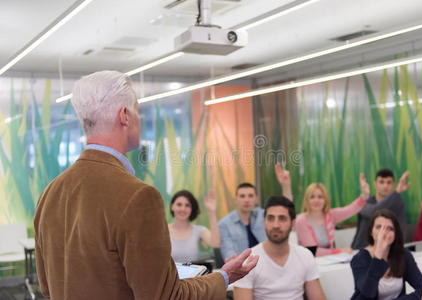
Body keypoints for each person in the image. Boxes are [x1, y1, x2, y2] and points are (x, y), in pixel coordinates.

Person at [34, 71, 258, 300]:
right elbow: (166, 296)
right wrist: (223, 277)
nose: (139, 119)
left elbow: (47, 285)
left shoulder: (50, 192)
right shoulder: (138, 196)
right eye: (138, 111)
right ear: (125, 116)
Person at [234, 196, 326, 300]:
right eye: (270, 218)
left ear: (293, 223)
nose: (275, 225)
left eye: (282, 218)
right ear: (264, 222)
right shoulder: (249, 261)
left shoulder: (305, 255)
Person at [219, 164, 292, 260]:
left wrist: (286, 185)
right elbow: (228, 255)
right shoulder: (224, 224)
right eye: (242, 196)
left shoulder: (263, 215)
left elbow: (284, 209)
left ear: (256, 199)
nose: (246, 200)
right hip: (242, 269)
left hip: (269, 262)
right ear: (235, 199)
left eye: (250, 196)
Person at [350, 209, 422, 300]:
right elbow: (367, 293)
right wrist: (378, 256)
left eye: (390, 228)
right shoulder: (359, 259)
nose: (384, 232)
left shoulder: (403, 254)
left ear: (395, 234)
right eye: (378, 227)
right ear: (371, 232)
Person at [295, 174, 369, 256]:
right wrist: (339, 251)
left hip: (328, 262)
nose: (316, 200)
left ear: (325, 200)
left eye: (320, 197)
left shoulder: (330, 215)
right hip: (308, 262)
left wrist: (364, 195)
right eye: (312, 197)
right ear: (307, 200)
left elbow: (351, 209)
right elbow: (312, 250)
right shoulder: (301, 220)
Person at [352, 169, 410, 249]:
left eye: (389, 182)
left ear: (393, 185)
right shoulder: (365, 202)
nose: (385, 186)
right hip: (362, 250)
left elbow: (401, 231)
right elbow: (374, 212)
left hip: (388, 250)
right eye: (381, 182)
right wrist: (396, 192)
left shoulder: (397, 202)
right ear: (375, 184)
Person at [169, 189, 220, 263]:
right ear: (172, 206)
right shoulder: (163, 230)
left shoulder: (199, 230)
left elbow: (215, 243)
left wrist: (212, 212)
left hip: (193, 274)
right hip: (169, 274)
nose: (183, 209)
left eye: (187, 205)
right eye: (179, 204)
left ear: (192, 209)